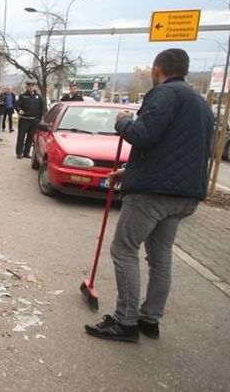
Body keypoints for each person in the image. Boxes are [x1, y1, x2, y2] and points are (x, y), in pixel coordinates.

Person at [85, 48, 214, 343]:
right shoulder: (200, 103)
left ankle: (125, 321)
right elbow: (177, 150)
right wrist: (128, 170)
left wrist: (121, 121)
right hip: (185, 194)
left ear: (157, 69)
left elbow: (142, 134)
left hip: (152, 193)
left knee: (124, 249)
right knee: (160, 255)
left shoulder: (164, 94)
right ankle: (149, 318)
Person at [15, 81, 43, 159]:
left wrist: (39, 118)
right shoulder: (23, 96)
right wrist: (19, 110)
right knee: (21, 137)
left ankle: (26, 153)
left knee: (30, 137)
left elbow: (41, 108)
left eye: (32, 86)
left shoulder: (38, 96)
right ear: (26, 87)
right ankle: (19, 153)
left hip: (34, 120)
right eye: (29, 86)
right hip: (24, 120)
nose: (30, 88)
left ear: (34, 87)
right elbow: (17, 105)